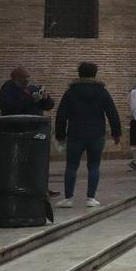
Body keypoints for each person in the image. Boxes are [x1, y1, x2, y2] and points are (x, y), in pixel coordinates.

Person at [53, 62, 121, 209]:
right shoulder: (102, 92)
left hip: (75, 133)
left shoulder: (70, 92)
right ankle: (91, 198)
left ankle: (68, 198)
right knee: (94, 166)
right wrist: (116, 133)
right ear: (95, 74)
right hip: (97, 134)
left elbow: (61, 115)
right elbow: (112, 113)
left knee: (71, 166)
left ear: (79, 73)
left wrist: (60, 134)